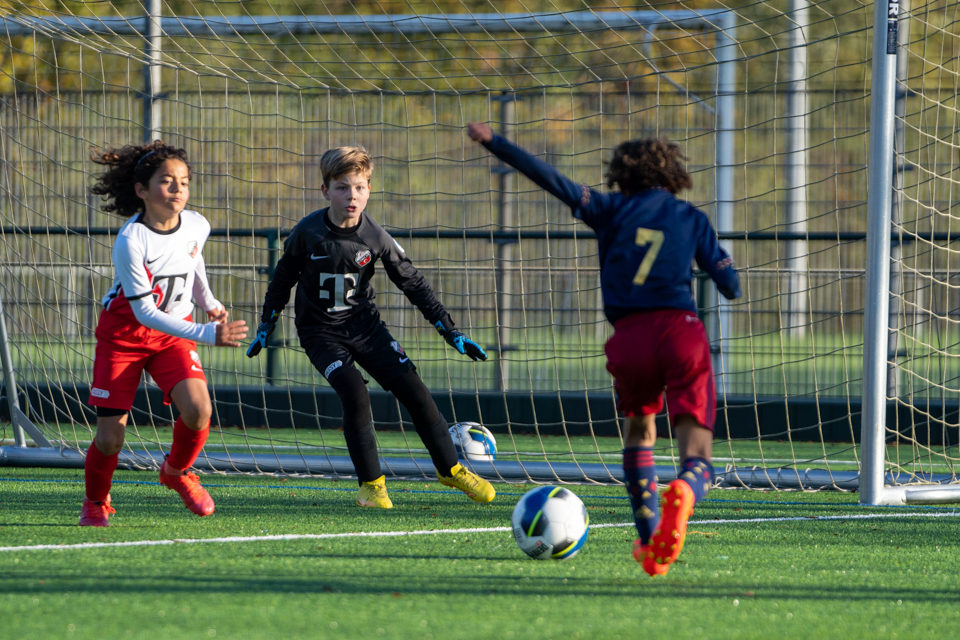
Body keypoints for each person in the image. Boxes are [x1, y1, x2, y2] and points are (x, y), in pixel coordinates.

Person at [467, 123, 741, 576]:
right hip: (680, 331)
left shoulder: (609, 209)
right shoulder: (690, 217)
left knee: (639, 434)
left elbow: (550, 178)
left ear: (621, 175)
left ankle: (651, 540)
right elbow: (728, 285)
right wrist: (718, 266)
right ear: (673, 175)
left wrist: (495, 141)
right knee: (697, 452)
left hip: (629, 338)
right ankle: (687, 490)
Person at [247, 145, 495, 508]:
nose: (352, 196)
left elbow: (413, 283)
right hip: (320, 334)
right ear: (325, 191)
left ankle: (451, 470)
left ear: (368, 189)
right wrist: (266, 323)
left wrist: (450, 330)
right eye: (343, 187)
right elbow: (282, 279)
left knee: (416, 392)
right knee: (355, 393)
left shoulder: (376, 237)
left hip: (366, 329)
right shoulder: (307, 232)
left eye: (360, 187)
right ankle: (371, 484)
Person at [81, 141, 248, 527]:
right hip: (124, 335)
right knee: (110, 440)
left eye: (184, 182)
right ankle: (95, 501)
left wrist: (207, 298)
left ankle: (175, 473)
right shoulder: (131, 240)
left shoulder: (197, 223)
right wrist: (207, 332)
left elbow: (192, 259)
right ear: (142, 190)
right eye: (167, 181)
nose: (178, 189)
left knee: (199, 409)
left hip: (171, 336)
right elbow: (144, 312)